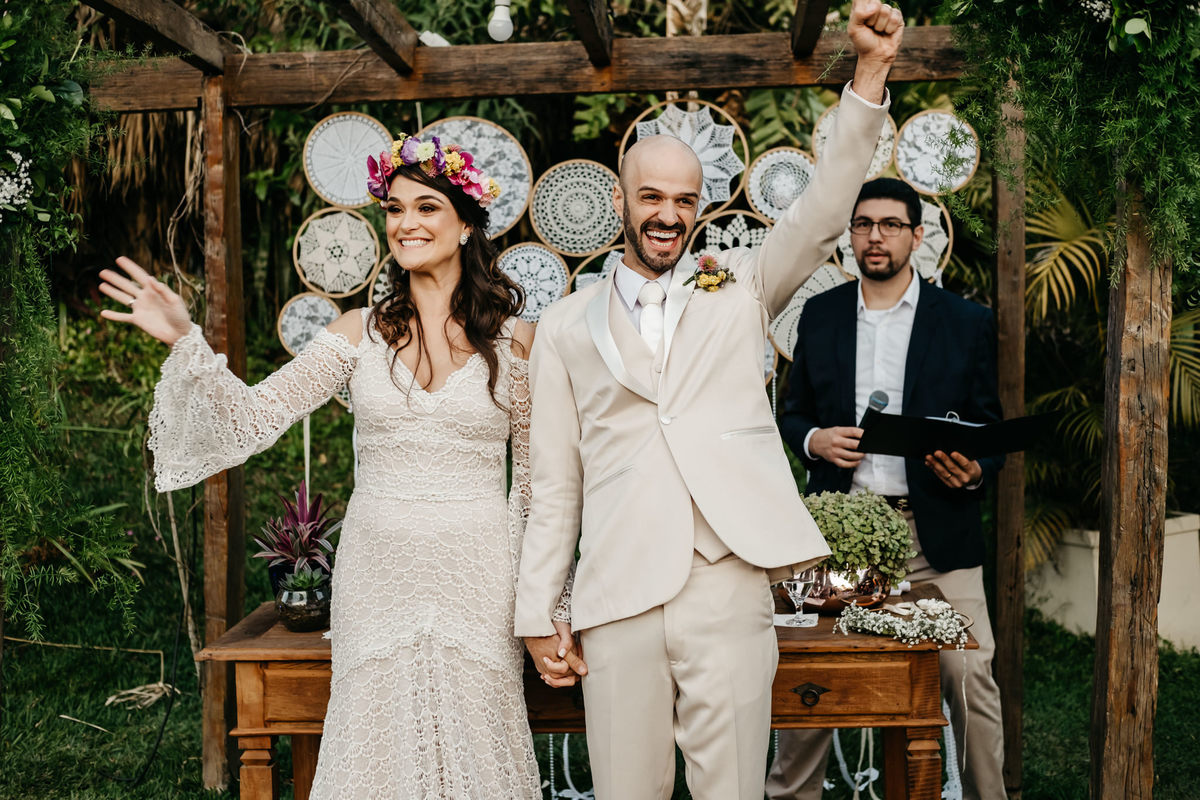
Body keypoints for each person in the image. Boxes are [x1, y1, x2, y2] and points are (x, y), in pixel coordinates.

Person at [98, 135, 578, 799]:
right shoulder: (357, 335)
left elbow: (534, 491)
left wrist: (544, 606)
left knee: (476, 742)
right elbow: (250, 417)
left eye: (427, 207)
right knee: (373, 744)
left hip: (479, 572)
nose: (406, 223)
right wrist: (187, 337)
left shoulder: (518, 341)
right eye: (396, 208)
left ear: (466, 224)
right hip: (377, 573)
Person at [512, 3, 904, 798]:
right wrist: (536, 608)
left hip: (726, 581)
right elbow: (555, 484)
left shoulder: (742, 290)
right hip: (617, 590)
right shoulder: (560, 328)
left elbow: (826, 208)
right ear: (622, 201)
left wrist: (868, 74)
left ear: (701, 207)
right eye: (651, 197)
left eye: (684, 201)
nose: (667, 215)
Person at [766, 176, 1007, 800]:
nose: (876, 236)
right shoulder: (818, 317)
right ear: (850, 235)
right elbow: (793, 415)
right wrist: (814, 438)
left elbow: (990, 428)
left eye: (891, 224)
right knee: (807, 680)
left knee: (968, 676)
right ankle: (791, 796)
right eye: (864, 224)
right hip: (838, 537)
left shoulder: (965, 321)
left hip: (937, 536)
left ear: (917, 236)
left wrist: (977, 469)